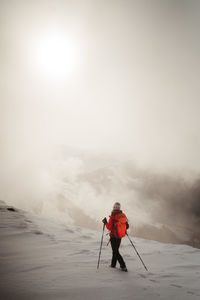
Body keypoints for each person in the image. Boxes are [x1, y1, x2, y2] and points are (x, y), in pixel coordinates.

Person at [102, 202, 129, 272]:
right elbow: (127, 226)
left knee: (115, 251)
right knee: (115, 250)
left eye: (114, 207)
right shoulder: (123, 215)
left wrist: (105, 222)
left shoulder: (113, 216)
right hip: (119, 236)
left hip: (114, 236)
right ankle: (113, 265)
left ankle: (123, 266)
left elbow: (109, 227)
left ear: (113, 207)